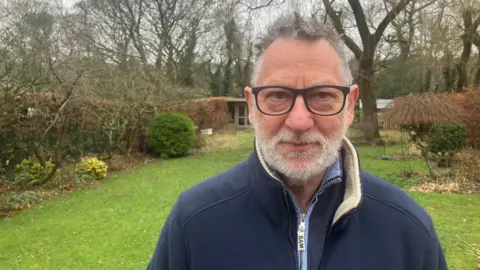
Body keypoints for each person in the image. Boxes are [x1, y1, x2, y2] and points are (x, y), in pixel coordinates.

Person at [147, 12, 447, 270]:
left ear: (350, 105)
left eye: (322, 95)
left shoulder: (408, 229)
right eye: (277, 95)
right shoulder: (194, 222)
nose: (299, 121)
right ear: (251, 106)